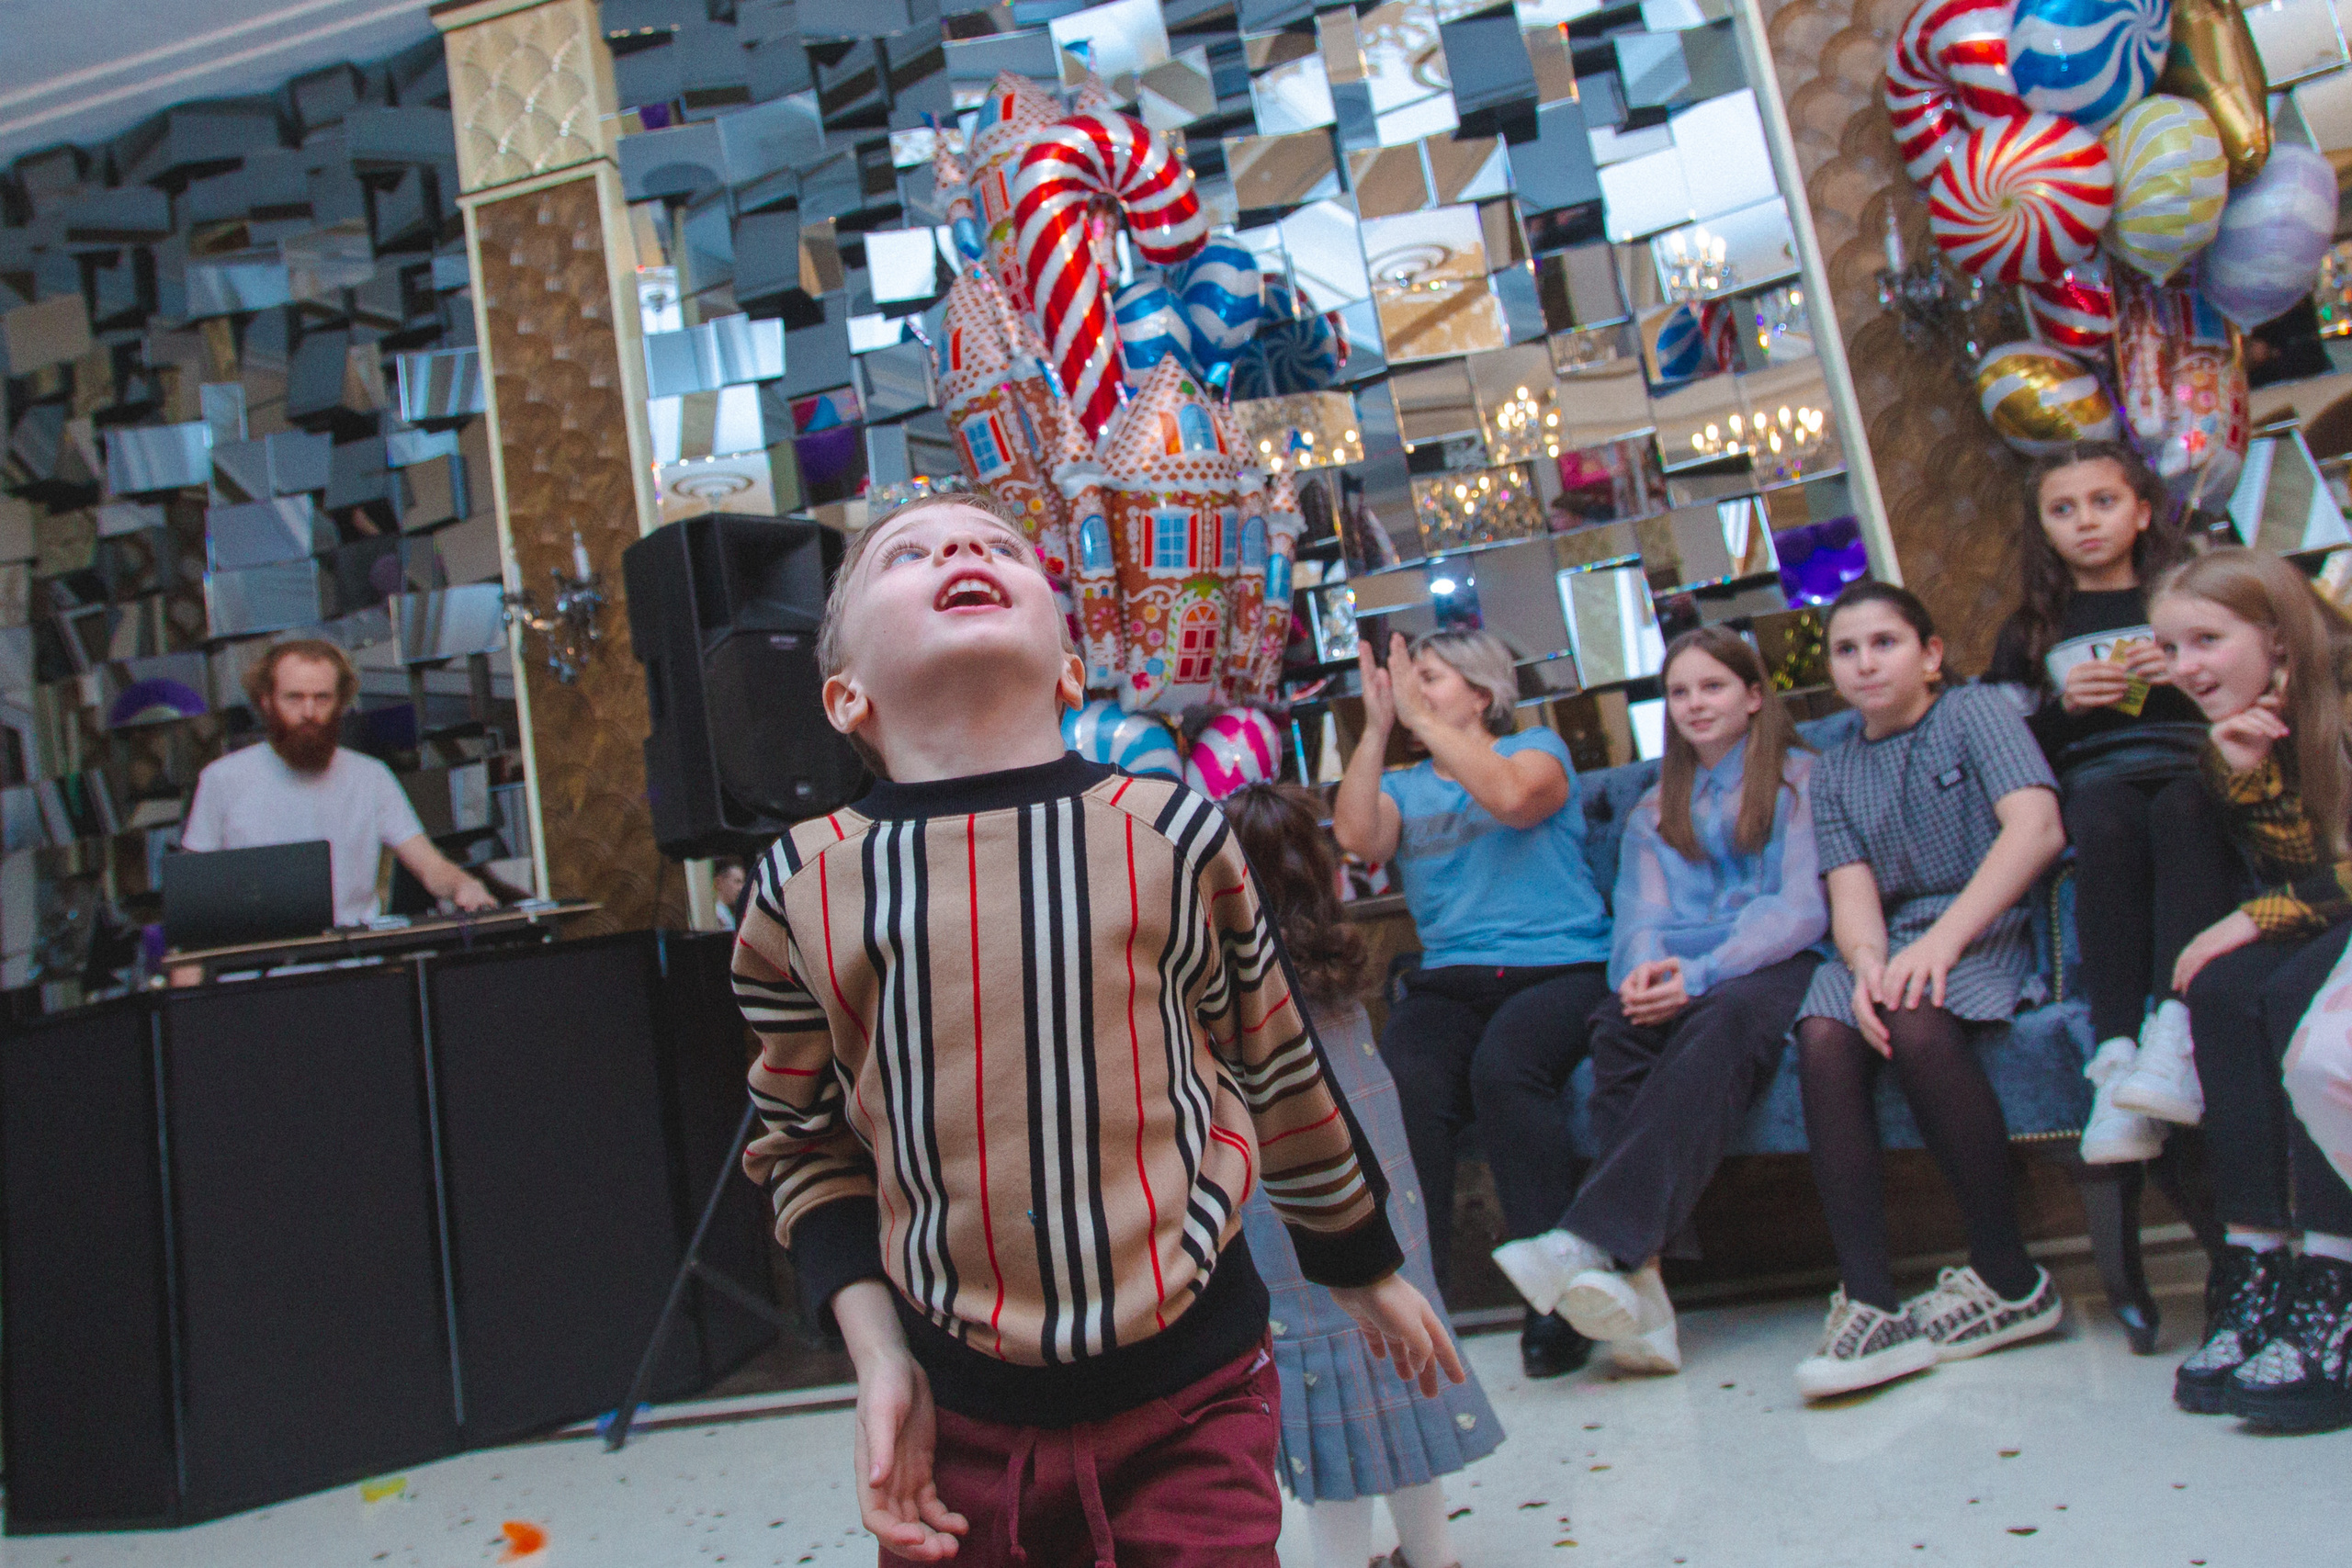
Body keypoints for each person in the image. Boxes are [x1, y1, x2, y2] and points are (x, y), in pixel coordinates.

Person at [729, 492, 1462, 1566]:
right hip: (953, 1414)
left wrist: (1359, 1262)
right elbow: (805, 1146)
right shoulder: (801, 884)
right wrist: (880, 1357)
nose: (962, 552)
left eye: (1000, 548)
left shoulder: (1170, 832)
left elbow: (1274, 1060)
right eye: (908, 555)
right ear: (847, 697)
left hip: (1195, 1391)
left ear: (1069, 670)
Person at [1493, 627, 1826, 1376]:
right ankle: (1645, 1300)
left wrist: (1700, 975)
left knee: (1722, 1019)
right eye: (1679, 692)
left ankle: (1592, 1238)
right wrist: (1643, 975)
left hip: (1772, 962)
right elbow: (1639, 916)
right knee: (1619, 1028)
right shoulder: (1654, 807)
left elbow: (1799, 910)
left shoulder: (1801, 780)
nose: (1695, 704)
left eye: (1712, 687)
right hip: (1682, 968)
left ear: (1753, 694)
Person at [1791, 582, 2069, 1400]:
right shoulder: (1834, 769)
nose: (1866, 662)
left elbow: (2038, 828)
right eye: (1847, 649)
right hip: (1892, 938)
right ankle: (1871, 1301)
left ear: (1931, 654)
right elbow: (1852, 893)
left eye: (1885, 642)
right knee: (1828, 1026)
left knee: (1915, 1019)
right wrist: (1867, 965)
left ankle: (2008, 1277)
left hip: (1982, 925)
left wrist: (1943, 943)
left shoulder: (1976, 713)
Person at [1225, 783, 1501, 1568]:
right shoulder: (1341, 970)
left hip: (1293, 1225)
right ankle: (1432, 1553)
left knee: (1329, 1404)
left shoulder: (1235, 988)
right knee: (1402, 1377)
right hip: (1384, 1214)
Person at [1332, 627, 1615, 1381]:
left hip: (1560, 965)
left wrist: (1421, 721)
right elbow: (1357, 836)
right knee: (1406, 1084)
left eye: (1430, 676)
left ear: (1483, 694)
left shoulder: (1538, 753)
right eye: (1409, 677)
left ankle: (1555, 1303)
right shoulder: (1405, 785)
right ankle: (1421, 1305)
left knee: (1505, 1070)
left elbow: (1514, 800)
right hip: (1454, 976)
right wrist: (1380, 727)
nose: (1413, 687)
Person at [2150, 547, 2352, 1433]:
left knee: (2286, 986)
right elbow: (2312, 869)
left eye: (2207, 638)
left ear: (2275, 636)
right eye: (2169, 645)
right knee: (2226, 990)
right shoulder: (2253, 723)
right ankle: (2258, 1255)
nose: (2187, 665)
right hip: (2332, 918)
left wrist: (2251, 916)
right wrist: (2246, 776)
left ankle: (2335, 1275)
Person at [1984, 439, 2230, 1165]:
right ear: (2043, 528)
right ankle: (2117, 1051)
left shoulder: (2188, 600)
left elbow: (2247, 690)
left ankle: (2171, 1031)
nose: (2085, 522)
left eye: (2104, 501)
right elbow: (2011, 752)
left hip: (2193, 766)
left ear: (2143, 511)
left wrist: (2185, 671)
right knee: (2101, 815)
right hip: (2094, 779)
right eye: (2063, 510)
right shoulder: (2031, 630)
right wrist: (2067, 708)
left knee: (2186, 808)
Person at [181, 638, 494, 927]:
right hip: (255, 971)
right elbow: (194, 901)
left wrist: (463, 885)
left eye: (322, 698)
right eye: (294, 698)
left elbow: (429, 866)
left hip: (352, 963)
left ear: (341, 702)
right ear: (266, 702)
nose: (309, 712)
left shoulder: (371, 777)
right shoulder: (221, 779)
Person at [710, 856, 747, 931]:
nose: (741, 888)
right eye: (737, 882)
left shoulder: (727, 912)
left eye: (742, 882)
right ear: (719, 882)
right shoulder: (715, 915)